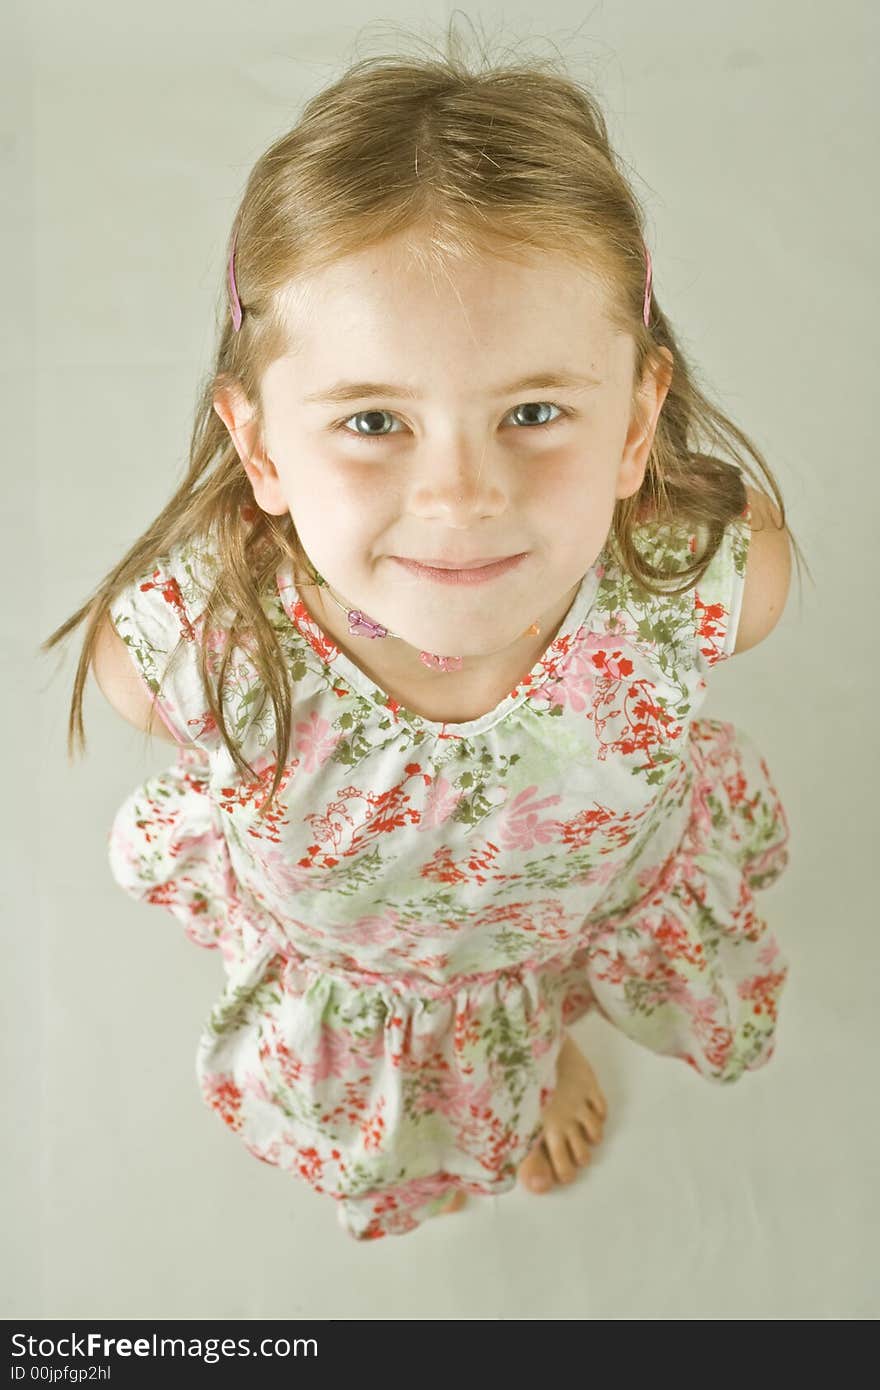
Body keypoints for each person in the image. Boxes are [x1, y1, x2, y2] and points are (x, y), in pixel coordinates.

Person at [43, 31, 803, 1242]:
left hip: (572, 903)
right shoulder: (188, 653)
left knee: (550, 967)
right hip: (369, 951)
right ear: (261, 447)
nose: (460, 495)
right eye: (376, 420)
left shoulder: (707, 583)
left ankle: (545, 1034)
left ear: (635, 419)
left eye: (535, 410)